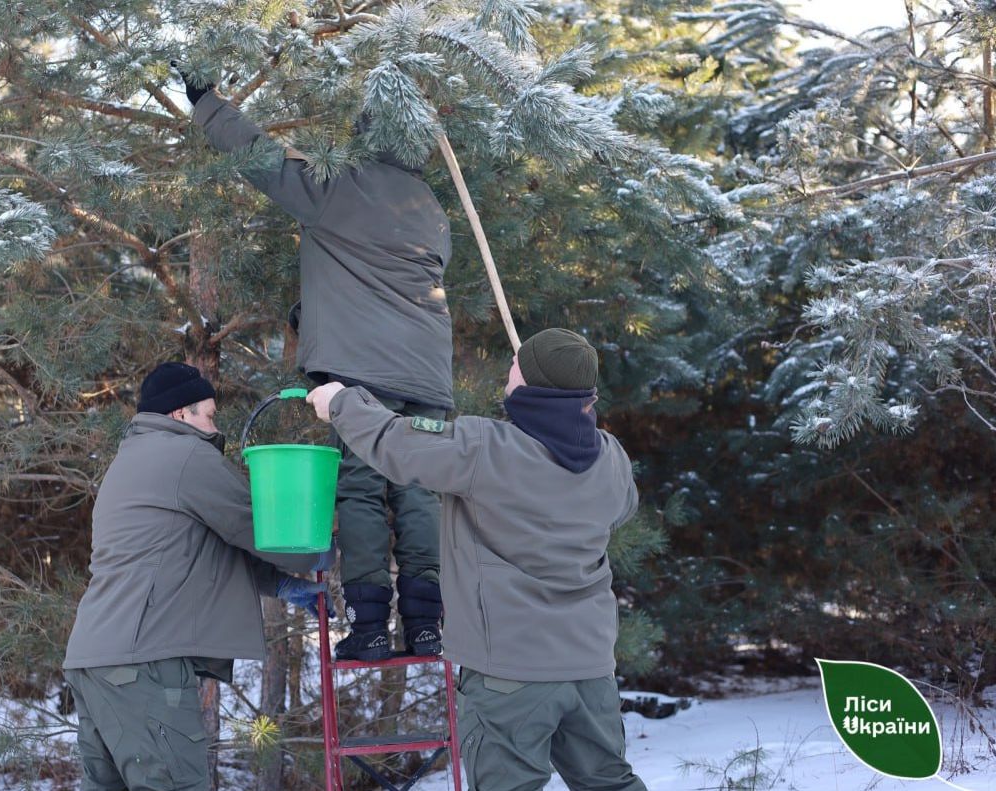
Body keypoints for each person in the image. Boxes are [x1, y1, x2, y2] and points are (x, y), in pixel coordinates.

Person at [180, 72, 453, 660]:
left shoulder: (340, 185)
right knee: (419, 491)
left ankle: (370, 626)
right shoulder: (430, 206)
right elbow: (384, 278)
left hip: (365, 371)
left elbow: (263, 159)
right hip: (429, 373)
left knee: (361, 488)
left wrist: (206, 103)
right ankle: (427, 625)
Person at [307, 329, 648, 791]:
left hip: (509, 674)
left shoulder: (485, 448)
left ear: (533, 387)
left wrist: (341, 402)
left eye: (516, 366)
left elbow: (395, 442)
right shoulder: (611, 458)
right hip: (590, 669)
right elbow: (622, 508)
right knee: (610, 783)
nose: (509, 367)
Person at [63, 362, 330, 791]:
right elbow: (257, 525)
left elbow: (194, 546)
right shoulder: (185, 454)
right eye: (208, 415)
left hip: (93, 660)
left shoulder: (130, 460)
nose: (214, 426)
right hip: (143, 665)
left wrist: (278, 583)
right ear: (179, 414)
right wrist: (321, 546)